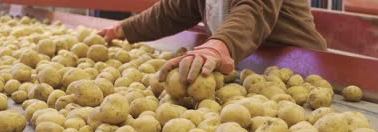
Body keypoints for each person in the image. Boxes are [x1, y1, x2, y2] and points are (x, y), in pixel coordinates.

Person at [98, 0, 327, 83]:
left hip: (299, 71)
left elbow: (254, 10)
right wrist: (123, 30)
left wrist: (217, 46)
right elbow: (171, 11)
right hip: (248, 71)